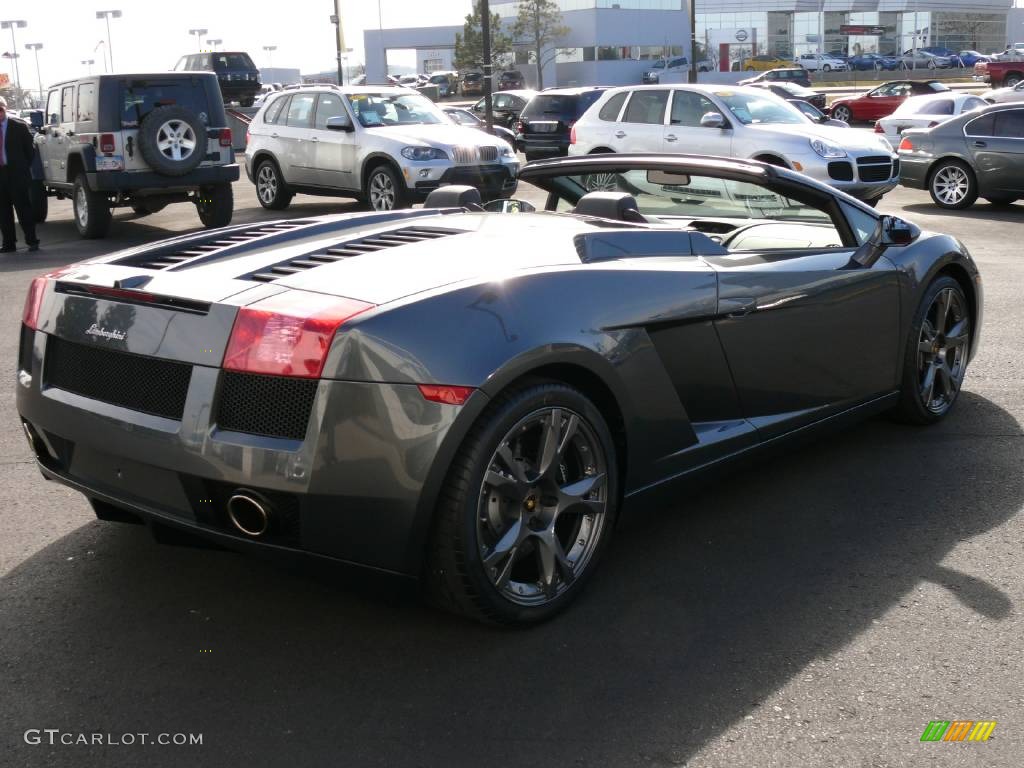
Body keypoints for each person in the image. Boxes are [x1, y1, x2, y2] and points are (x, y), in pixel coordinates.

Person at [0, 95, 40, 253]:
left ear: (5, 108)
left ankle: (32, 241)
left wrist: (22, 168)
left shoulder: (19, 126)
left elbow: (30, 151)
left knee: (23, 208)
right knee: (3, 212)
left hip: (17, 174)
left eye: (0, 109)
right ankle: (9, 243)